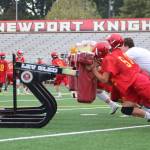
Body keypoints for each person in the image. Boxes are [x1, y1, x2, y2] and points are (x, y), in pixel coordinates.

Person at [91, 34, 150, 121]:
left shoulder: (110, 57)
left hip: (137, 82)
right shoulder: (118, 53)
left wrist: (93, 69)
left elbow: (104, 79)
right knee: (126, 109)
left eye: (109, 42)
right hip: (132, 84)